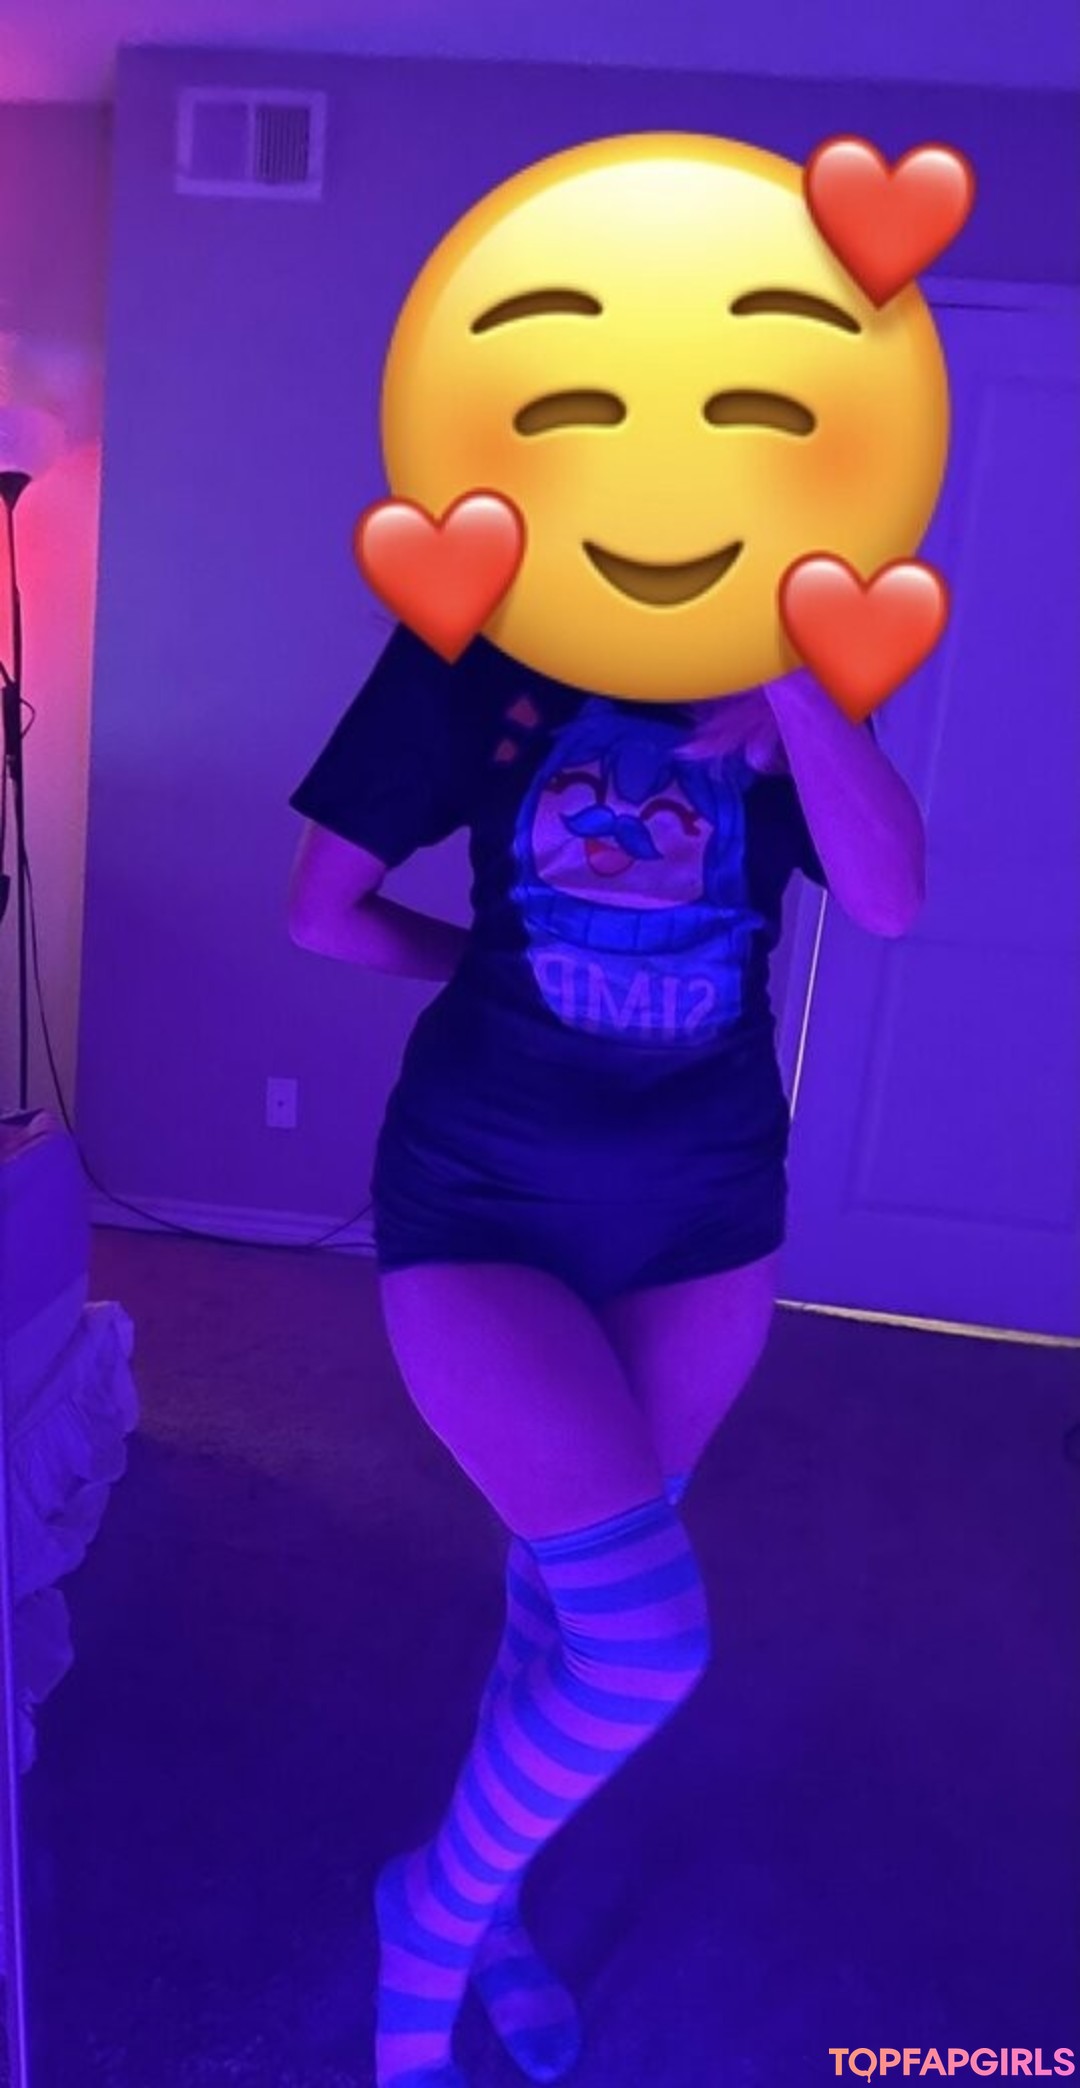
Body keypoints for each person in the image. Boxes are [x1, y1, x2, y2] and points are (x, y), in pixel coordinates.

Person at [287, 624, 925, 2087]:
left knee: (560, 1598)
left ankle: (488, 1910)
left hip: (705, 1218)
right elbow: (323, 911)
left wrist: (790, 683)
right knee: (641, 1642)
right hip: (480, 1199)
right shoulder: (473, 633)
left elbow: (889, 899)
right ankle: (429, 1926)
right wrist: (498, 972)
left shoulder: (797, 657)